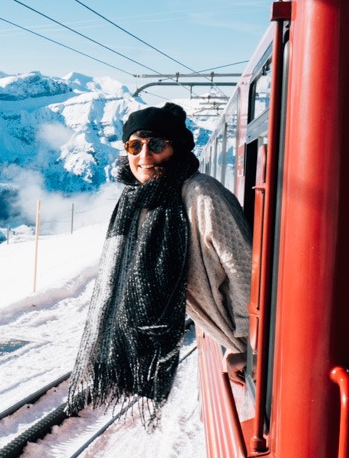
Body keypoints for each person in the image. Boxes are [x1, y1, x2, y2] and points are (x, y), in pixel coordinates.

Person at [67, 102, 252, 423]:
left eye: (156, 145)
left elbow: (245, 272)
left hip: (249, 350)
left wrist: (247, 344)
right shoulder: (141, 199)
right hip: (230, 340)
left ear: (176, 148)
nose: (144, 156)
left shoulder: (201, 196)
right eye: (134, 146)